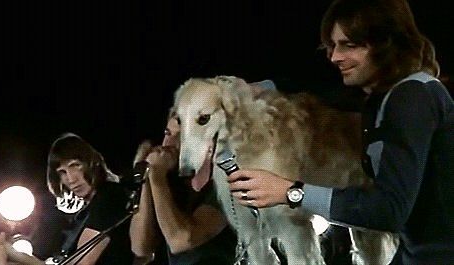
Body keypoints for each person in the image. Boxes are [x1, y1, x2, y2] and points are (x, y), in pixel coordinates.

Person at [226, 0, 454, 264]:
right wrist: (266, 86)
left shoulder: (411, 97)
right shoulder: (389, 97)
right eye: (332, 46)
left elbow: (389, 210)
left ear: (385, 45)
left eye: (349, 45)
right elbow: (326, 93)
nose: (335, 57)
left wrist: (290, 192)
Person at [0, 133, 135, 265]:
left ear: (92, 162)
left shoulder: (109, 196)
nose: (71, 179)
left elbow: (82, 262)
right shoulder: (84, 212)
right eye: (62, 172)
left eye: (75, 165)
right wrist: (6, 248)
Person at [129, 116, 237, 265]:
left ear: (209, 145)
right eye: (168, 134)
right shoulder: (172, 188)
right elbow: (141, 247)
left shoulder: (226, 187)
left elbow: (181, 240)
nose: (168, 144)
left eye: (182, 136)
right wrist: (146, 179)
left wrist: (157, 175)